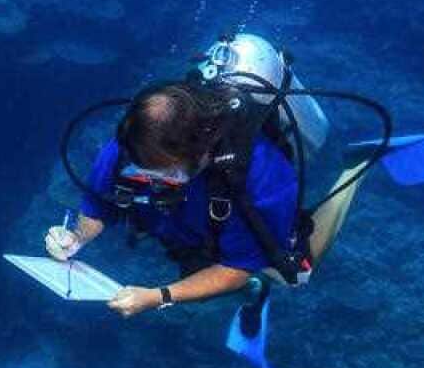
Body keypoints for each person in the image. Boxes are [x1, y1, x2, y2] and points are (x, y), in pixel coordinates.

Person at [44, 82, 297, 325]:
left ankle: (339, 189)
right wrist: (76, 237)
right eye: (140, 172)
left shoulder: (262, 175)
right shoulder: (127, 150)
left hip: (224, 233)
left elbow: (237, 267)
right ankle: (252, 289)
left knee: (294, 274)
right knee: (196, 277)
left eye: (163, 174)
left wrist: (158, 297)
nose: (149, 181)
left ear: (202, 153)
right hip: (182, 232)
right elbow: (97, 208)